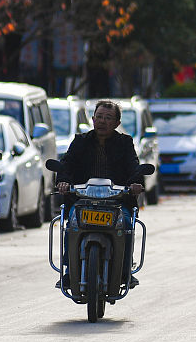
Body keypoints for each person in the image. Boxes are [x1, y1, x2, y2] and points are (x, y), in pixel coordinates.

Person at [55, 100, 143, 288]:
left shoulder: (125, 143)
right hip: (83, 201)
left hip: (116, 203)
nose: (102, 121)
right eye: (99, 117)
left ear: (117, 123)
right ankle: (69, 270)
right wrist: (63, 182)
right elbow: (66, 165)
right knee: (71, 225)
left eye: (108, 118)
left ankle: (125, 271)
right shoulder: (80, 141)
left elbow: (134, 167)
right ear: (93, 119)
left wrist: (135, 184)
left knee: (127, 224)